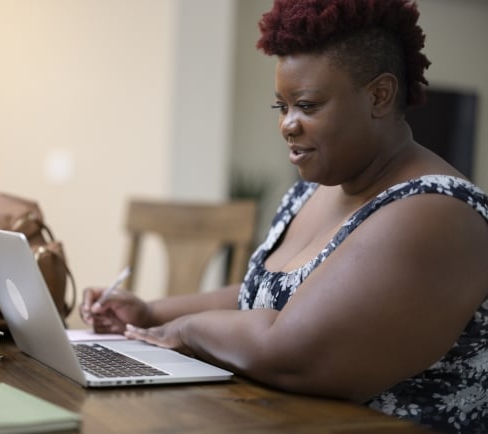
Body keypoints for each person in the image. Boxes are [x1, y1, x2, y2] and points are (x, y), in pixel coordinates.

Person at [80, 1, 488, 432]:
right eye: (282, 107)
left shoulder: (434, 213)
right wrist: (148, 313)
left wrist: (185, 330)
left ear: (379, 95)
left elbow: (292, 354)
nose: (287, 125)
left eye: (307, 106)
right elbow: (259, 295)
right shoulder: (313, 190)